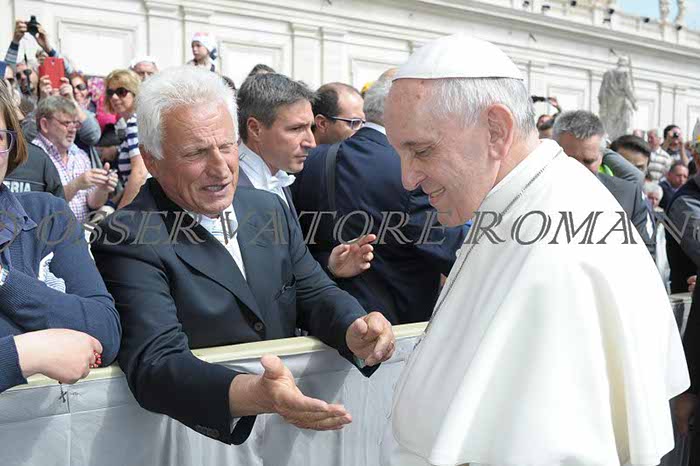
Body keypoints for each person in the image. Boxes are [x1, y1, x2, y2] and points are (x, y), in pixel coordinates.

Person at [380, 34, 687, 466]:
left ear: (496, 130)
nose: (407, 178)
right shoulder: (521, 200)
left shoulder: (557, 255)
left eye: (422, 151)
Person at [92, 66, 395, 445]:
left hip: (289, 436)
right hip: (195, 442)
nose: (220, 169)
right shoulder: (125, 236)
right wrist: (257, 394)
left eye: (226, 146)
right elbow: (156, 363)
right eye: (196, 153)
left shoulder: (268, 207)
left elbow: (313, 292)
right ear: (152, 160)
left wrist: (355, 329)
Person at [293, 77, 466, 324]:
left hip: (326, 322)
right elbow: (454, 251)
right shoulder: (413, 170)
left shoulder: (310, 160)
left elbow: (296, 247)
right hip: (394, 328)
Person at [0, 80, 120, 393]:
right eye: (64, 123)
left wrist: (5, 281)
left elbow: (104, 332)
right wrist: (27, 353)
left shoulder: (47, 213)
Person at [237, 73, 375, 281]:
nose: (311, 142)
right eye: (296, 129)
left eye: (309, 128)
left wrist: (330, 266)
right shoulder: (226, 190)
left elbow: (287, 269)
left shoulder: (281, 179)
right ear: (255, 129)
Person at [553, 110, 655, 256]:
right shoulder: (532, 193)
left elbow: (645, 256)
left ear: (602, 156)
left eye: (589, 161)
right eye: (570, 160)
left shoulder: (628, 196)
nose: (580, 169)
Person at [31, 96, 116, 222]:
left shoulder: (79, 155)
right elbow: (41, 207)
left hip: (82, 229)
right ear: (45, 125)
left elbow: (92, 203)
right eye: (66, 123)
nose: (73, 130)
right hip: (50, 230)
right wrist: (76, 185)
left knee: (109, 212)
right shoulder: (32, 157)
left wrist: (102, 188)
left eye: (75, 124)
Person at [104, 69, 148, 208]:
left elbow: (140, 173)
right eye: (110, 93)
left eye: (121, 92)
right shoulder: (136, 121)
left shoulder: (134, 123)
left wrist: (121, 212)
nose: (114, 97)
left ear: (135, 93)